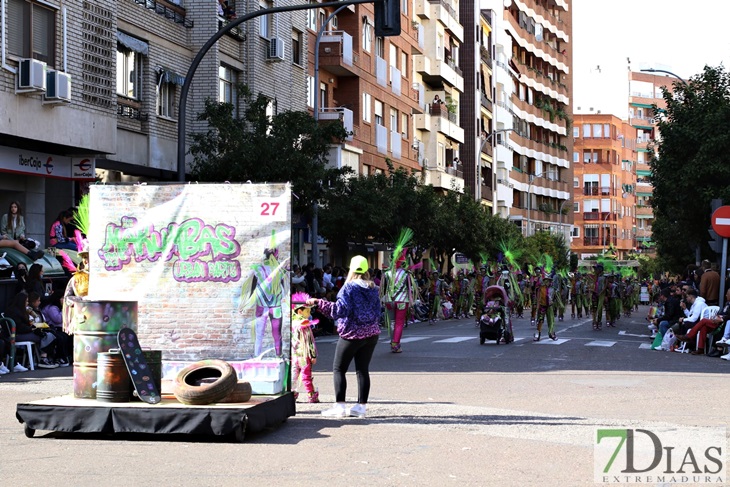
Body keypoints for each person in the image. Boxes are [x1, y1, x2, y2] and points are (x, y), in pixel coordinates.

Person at [306, 255, 381, 418]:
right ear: (367, 269)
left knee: (339, 368)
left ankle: (340, 406)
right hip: (371, 334)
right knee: (362, 370)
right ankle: (361, 407)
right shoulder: (374, 288)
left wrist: (319, 303)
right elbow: (377, 311)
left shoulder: (348, 288)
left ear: (351, 269)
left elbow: (339, 310)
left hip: (352, 334)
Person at [238, 246, 289, 357]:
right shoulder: (280, 270)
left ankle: (257, 358)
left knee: (259, 335)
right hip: (275, 306)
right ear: (276, 256)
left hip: (261, 305)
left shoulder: (258, 269)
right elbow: (285, 288)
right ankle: (278, 357)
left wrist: (245, 303)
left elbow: (251, 288)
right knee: (277, 335)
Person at [4, 292, 58, 369]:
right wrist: (33, 328)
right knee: (45, 336)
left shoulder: (23, 311)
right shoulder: (14, 312)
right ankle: (43, 358)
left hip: (25, 332)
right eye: (26, 301)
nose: (27, 303)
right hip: (17, 334)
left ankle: (43, 358)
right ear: (21, 301)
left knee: (48, 334)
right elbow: (20, 328)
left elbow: (32, 322)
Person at [290, 292, 319, 403]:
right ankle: (311, 394)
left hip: (294, 354)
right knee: (306, 375)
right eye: (307, 311)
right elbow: (309, 342)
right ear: (300, 311)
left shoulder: (292, 323)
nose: (309, 313)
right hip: (304, 355)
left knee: (294, 374)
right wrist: (313, 355)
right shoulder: (304, 325)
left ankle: (292, 393)